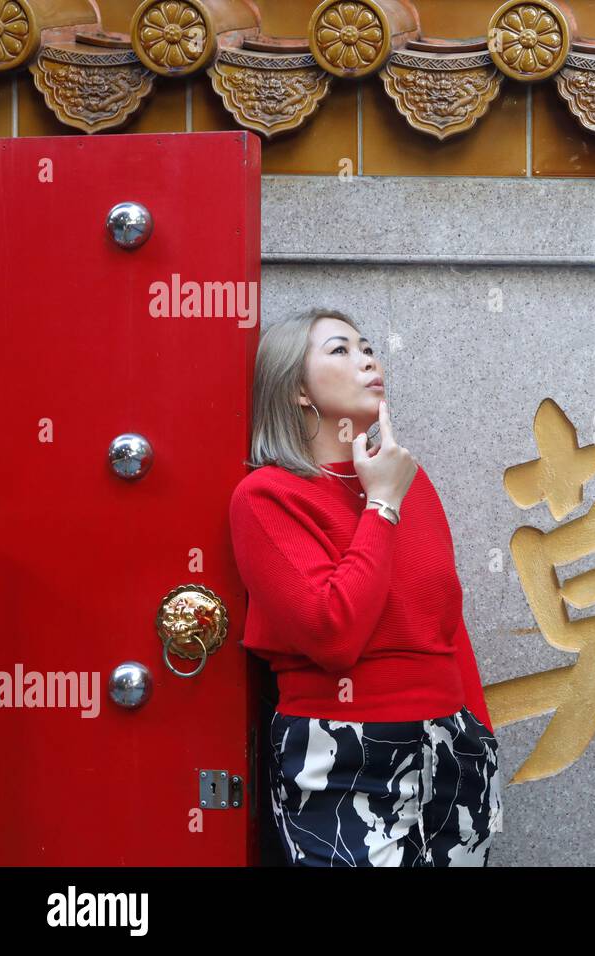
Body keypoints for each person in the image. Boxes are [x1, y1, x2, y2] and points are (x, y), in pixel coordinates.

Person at [228, 307, 500, 866]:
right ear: (299, 389)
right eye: (340, 350)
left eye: (369, 347)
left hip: (452, 749)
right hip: (345, 752)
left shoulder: (408, 481)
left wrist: (479, 741)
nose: (368, 359)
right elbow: (334, 634)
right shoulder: (267, 497)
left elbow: (448, 627)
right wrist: (380, 505)